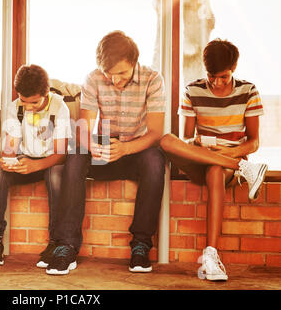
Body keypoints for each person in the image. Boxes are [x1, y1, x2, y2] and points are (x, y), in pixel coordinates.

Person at [47, 31, 166, 275]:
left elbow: (155, 132)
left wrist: (126, 148)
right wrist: (93, 147)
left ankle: (141, 245)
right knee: (77, 154)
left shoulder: (153, 79)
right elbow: (84, 131)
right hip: (105, 148)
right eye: (109, 74)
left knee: (156, 160)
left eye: (122, 73)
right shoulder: (93, 79)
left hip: (136, 148)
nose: (115, 81)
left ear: (134, 63)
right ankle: (66, 245)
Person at [159, 39, 267, 281]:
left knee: (215, 169)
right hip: (200, 157)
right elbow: (186, 138)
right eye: (211, 76)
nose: (217, 83)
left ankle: (210, 256)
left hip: (225, 161)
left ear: (234, 68)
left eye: (224, 77)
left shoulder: (248, 91)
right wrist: (200, 144)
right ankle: (245, 168)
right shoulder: (192, 90)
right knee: (166, 140)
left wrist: (224, 156)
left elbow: (253, 142)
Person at [0, 64, 71, 268]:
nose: (28, 106)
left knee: (56, 176)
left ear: (46, 92)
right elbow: (10, 146)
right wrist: (8, 160)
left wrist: (35, 166)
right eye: (24, 101)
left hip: (50, 162)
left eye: (34, 102)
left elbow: (60, 155)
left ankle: (55, 243)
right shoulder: (15, 107)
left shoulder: (60, 108)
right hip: (26, 161)